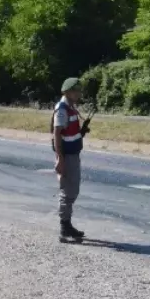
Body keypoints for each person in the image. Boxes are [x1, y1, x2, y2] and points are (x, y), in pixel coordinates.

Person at [51, 77, 90, 241]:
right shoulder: (62, 109)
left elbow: (69, 133)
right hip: (67, 156)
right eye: (77, 91)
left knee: (72, 190)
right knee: (68, 191)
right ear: (68, 91)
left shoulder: (71, 107)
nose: (79, 94)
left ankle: (67, 225)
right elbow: (57, 133)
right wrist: (60, 158)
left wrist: (81, 132)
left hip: (73, 154)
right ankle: (64, 227)